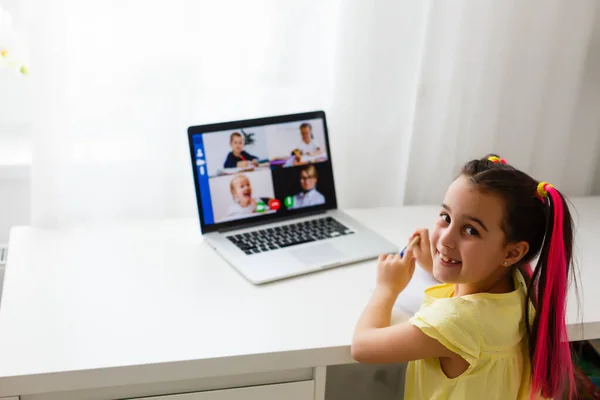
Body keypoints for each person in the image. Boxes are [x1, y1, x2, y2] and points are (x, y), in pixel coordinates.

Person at [351, 154, 578, 400]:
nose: (446, 239)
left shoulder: (457, 323)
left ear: (513, 252)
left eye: (471, 230)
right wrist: (437, 264)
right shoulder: (518, 282)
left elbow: (363, 347)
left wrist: (386, 287)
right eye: (446, 218)